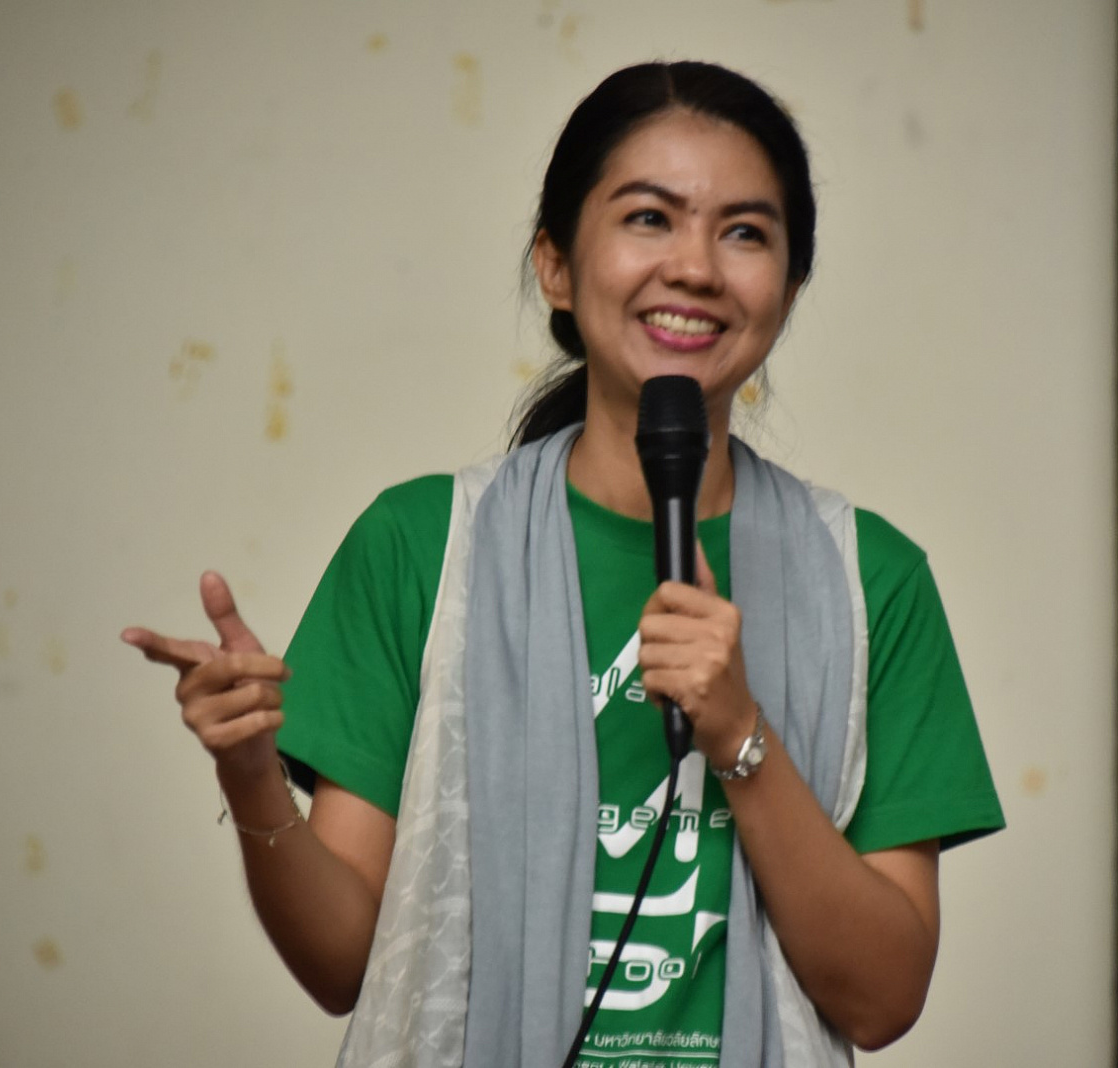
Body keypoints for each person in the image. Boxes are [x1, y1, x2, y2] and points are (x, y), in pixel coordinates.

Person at [123, 60, 1003, 1068]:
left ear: (789, 288)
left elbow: (883, 999)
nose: (696, 268)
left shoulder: (870, 579)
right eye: (649, 219)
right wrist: (252, 780)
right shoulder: (423, 547)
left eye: (745, 232)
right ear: (554, 264)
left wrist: (738, 734)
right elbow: (343, 965)